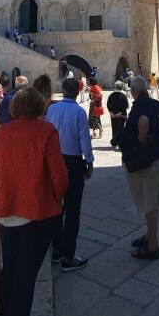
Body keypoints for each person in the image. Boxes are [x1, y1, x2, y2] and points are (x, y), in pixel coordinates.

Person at [0, 87, 68, 316]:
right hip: (37, 215)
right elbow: (60, 177)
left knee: (9, 273)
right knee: (25, 279)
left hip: (6, 215)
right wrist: (56, 198)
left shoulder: (2, 133)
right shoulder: (46, 131)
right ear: (40, 106)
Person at [121, 76, 159, 260]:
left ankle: (153, 246)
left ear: (133, 91)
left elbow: (143, 121)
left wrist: (141, 139)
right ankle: (149, 236)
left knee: (149, 203)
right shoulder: (152, 102)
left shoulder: (139, 106)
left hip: (148, 160)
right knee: (150, 201)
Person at [46, 78, 94, 272]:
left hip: (55, 160)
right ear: (77, 92)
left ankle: (57, 248)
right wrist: (89, 162)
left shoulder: (52, 109)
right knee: (73, 209)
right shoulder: (79, 112)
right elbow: (84, 139)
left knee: (57, 206)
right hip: (73, 163)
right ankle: (68, 256)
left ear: (63, 90)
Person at [107, 85, 129, 149]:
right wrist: (120, 113)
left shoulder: (111, 95)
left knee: (114, 128)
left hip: (113, 116)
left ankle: (114, 141)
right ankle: (119, 142)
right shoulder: (123, 96)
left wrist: (111, 112)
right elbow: (126, 105)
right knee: (121, 129)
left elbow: (108, 104)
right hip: (121, 116)